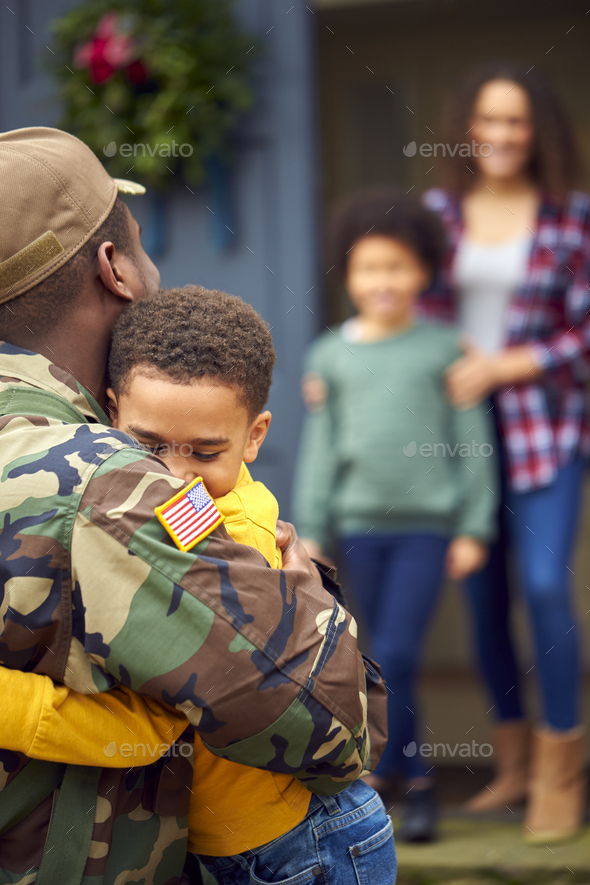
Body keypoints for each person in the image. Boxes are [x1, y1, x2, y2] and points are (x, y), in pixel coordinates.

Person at [0, 127, 387, 882]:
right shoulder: (104, 481)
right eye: (141, 244)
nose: (175, 471)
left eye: (203, 450)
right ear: (114, 269)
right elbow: (331, 727)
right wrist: (315, 609)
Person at [293, 190, 497, 842]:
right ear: (348, 275)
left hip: (426, 528)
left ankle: (412, 777)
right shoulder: (331, 355)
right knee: (369, 654)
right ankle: (390, 778)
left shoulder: (443, 349)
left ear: (425, 272)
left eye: (397, 267)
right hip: (358, 528)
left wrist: (475, 524)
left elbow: (472, 443)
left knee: (401, 650)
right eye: (368, 269)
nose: (383, 282)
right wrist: (312, 525)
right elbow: (322, 448)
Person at [421, 61, 590, 843]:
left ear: (538, 130)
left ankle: (562, 772)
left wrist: (509, 363)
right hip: (459, 428)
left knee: (544, 584)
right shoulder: (436, 213)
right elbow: (407, 312)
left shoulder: (571, 217)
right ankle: (514, 766)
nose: (500, 135)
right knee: (481, 599)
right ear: (466, 128)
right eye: (487, 119)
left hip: (545, 424)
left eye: (516, 121)